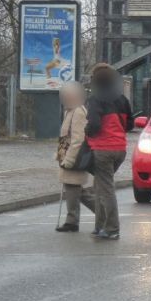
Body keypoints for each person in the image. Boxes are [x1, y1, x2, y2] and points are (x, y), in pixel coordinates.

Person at [85, 63, 133, 240]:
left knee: (105, 189)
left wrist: (87, 131)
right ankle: (100, 225)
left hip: (102, 149)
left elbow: (94, 126)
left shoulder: (95, 99)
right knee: (99, 186)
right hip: (120, 149)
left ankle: (112, 228)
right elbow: (130, 125)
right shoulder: (122, 100)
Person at [55, 81, 96, 232]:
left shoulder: (79, 112)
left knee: (75, 188)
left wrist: (69, 159)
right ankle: (72, 220)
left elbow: (78, 138)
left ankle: (101, 214)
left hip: (75, 157)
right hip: (67, 155)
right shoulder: (69, 111)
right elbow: (65, 136)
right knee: (74, 188)